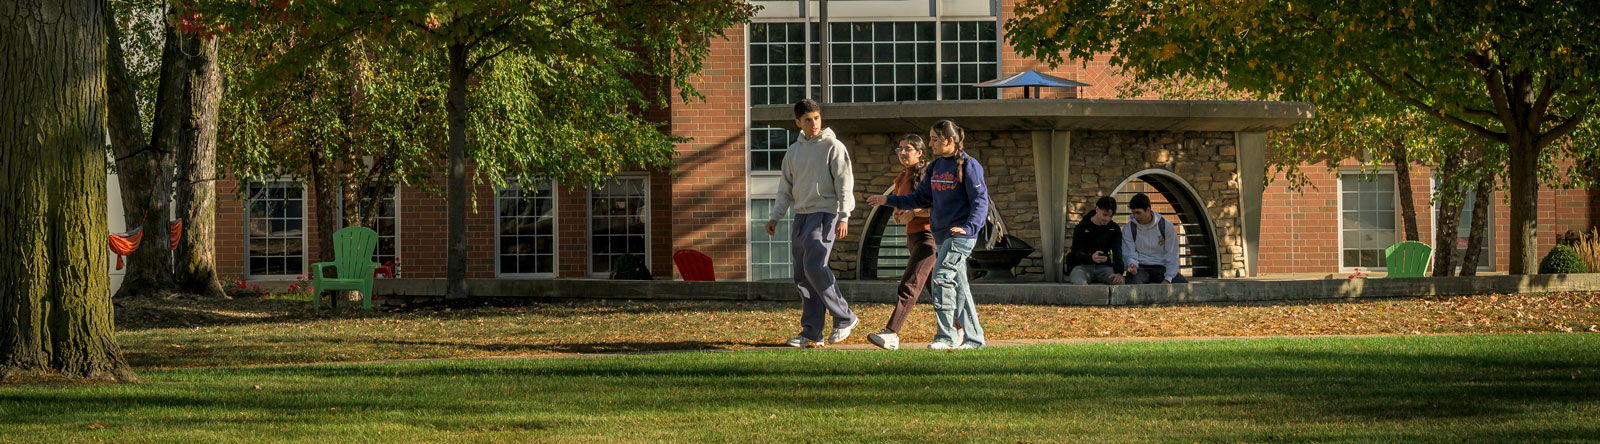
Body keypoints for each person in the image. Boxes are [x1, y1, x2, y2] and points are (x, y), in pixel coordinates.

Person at [866, 120, 989, 350]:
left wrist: (970, 227)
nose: (930, 143)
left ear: (948, 141)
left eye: (934, 139)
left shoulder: (970, 165)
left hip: (960, 235)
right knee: (960, 287)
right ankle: (974, 339)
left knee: (941, 278)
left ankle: (947, 337)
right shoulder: (935, 167)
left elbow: (981, 202)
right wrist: (888, 200)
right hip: (941, 234)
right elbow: (918, 199)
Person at [768, 98, 859, 347]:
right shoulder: (793, 151)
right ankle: (811, 332)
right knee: (802, 275)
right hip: (801, 214)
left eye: (817, 118)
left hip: (825, 213)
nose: (814, 123)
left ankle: (844, 317)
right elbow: (785, 188)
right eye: (808, 120)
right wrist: (776, 216)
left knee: (815, 266)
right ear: (798, 122)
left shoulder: (833, 146)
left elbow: (844, 183)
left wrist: (844, 215)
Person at [1122, 193, 1189, 284]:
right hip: (1141, 267)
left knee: (1184, 287)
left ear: (1148, 210)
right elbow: (1129, 252)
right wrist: (1132, 264)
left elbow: (1172, 254)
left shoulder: (1165, 226)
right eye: (1133, 213)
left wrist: (1168, 278)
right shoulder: (1129, 228)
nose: (1135, 216)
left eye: (1138, 213)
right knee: (1133, 287)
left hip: (1161, 267)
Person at [1066, 196, 1125, 285]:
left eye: (1110, 216)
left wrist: (1119, 273)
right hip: (1082, 267)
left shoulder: (1114, 228)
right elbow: (1075, 253)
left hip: (1105, 267)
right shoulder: (1082, 227)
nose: (1107, 219)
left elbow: (1118, 252)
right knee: (1079, 283)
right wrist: (1091, 257)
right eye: (1104, 215)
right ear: (1097, 209)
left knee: (1119, 282)